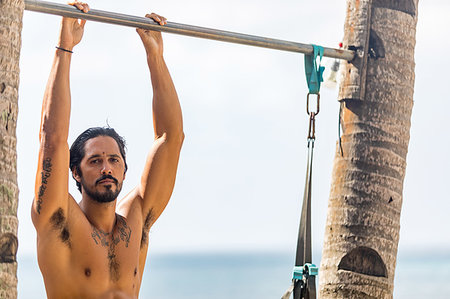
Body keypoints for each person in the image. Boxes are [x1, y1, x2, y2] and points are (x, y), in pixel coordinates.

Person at [32, 2, 184, 298]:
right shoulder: (58, 220)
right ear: (74, 171)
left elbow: (170, 137)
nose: (106, 168)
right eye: (95, 160)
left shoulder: (137, 220)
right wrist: (64, 47)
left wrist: (156, 56)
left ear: (125, 169)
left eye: (114, 160)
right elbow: (52, 140)